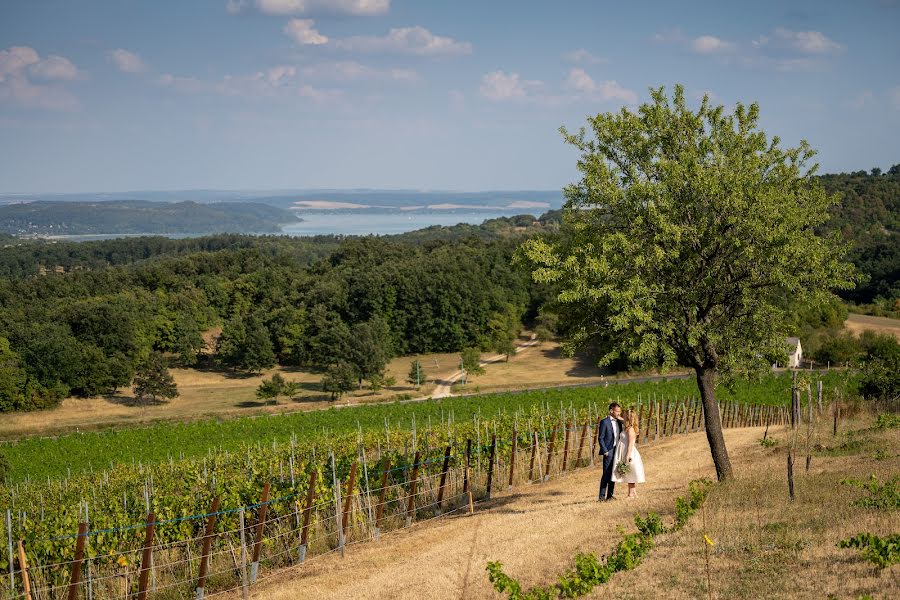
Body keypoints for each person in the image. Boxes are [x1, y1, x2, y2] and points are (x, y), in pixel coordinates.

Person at [613, 409, 646, 497]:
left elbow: (631, 444)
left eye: (624, 415)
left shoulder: (630, 430)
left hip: (629, 453)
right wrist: (613, 415)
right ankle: (632, 493)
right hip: (624, 451)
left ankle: (631, 494)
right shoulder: (627, 426)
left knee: (630, 473)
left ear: (628, 417)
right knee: (629, 473)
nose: (622, 416)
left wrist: (627, 457)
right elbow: (620, 419)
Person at [597, 402, 622, 501]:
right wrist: (605, 450)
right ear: (611, 411)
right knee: (606, 473)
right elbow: (601, 438)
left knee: (613, 473)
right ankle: (601, 497)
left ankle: (610, 495)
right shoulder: (604, 422)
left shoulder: (619, 421)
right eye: (617, 411)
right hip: (609, 450)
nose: (619, 413)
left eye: (620, 411)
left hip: (617, 450)